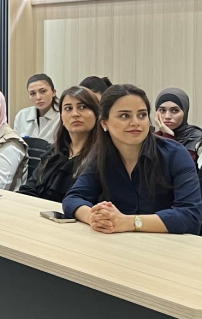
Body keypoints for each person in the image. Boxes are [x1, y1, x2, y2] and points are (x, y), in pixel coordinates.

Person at [63, 84, 202, 235]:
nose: (136, 122)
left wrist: (130, 222)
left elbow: (190, 216)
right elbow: (73, 198)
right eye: (125, 116)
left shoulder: (175, 154)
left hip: (169, 244)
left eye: (142, 115)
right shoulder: (102, 155)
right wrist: (93, 217)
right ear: (104, 123)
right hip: (121, 242)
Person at [19, 87, 100, 202]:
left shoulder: (101, 157)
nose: (75, 114)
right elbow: (29, 188)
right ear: (61, 116)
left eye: (82, 107)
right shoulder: (54, 151)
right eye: (68, 108)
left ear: (96, 113)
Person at [154, 88, 202, 161]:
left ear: (185, 112)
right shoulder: (152, 139)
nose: (167, 116)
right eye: (162, 110)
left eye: (175, 110)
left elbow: (181, 165)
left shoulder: (197, 139)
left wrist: (169, 136)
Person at [13, 73, 61, 141]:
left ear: (53, 92)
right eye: (33, 93)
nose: (38, 97)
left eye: (43, 91)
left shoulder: (62, 116)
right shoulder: (22, 116)